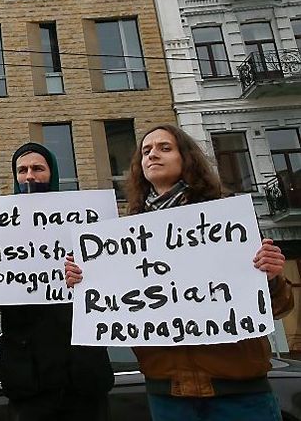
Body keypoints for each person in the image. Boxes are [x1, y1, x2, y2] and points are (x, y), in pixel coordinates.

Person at [65, 124, 294, 421]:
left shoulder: (226, 219)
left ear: (186, 158)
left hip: (240, 391)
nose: (153, 155)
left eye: (164, 148)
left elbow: (280, 307)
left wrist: (272, 276)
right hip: (168, 393)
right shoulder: (122, 238)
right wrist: (84, 282)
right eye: (146, 151)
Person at [0, 142, 113, 421]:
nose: (30, 176)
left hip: (83, 377)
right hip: (29, 383)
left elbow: (113, 292)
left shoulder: (86, 224)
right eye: (22, 170)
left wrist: (88, 278)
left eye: (38, 168)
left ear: (54, 173)